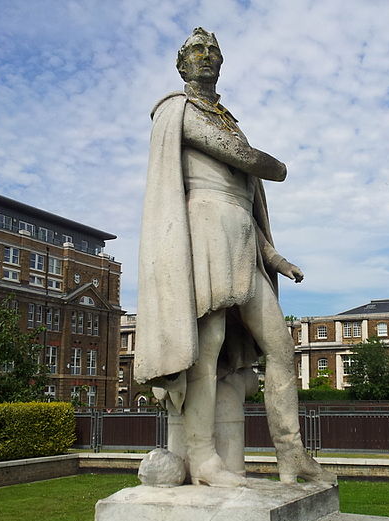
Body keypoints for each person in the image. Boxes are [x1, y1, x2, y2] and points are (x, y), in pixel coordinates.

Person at [135, 27, 335, 487]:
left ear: (220, 63)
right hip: (205, 230)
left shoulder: (228, 119)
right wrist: (276, 164)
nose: (205, 57)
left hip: (243, 242)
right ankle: (203, 460)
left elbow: (246, 200)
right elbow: (246, 160)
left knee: (281, 350)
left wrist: (273, 255)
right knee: (205, 348)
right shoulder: (176, 110)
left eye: (212, 52)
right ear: (182, 65)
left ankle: (292, 457)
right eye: (196, 52)